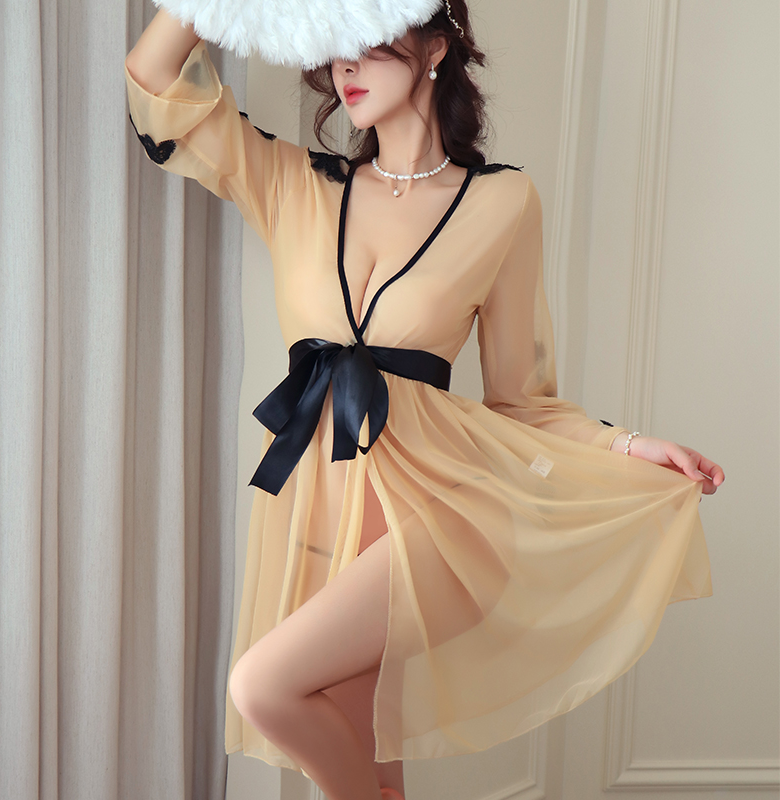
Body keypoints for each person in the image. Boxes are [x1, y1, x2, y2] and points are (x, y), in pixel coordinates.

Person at [124, 2, 724, 798]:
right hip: (317, 524)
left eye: (367, 44)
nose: (345, 67)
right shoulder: (296, 184)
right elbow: (153, 79)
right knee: (372, 776)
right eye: (335, 48)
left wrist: (628, 445)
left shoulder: (502, 202)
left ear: (434, 47)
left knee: (263, 686)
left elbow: (522, 401)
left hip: (441, 521)